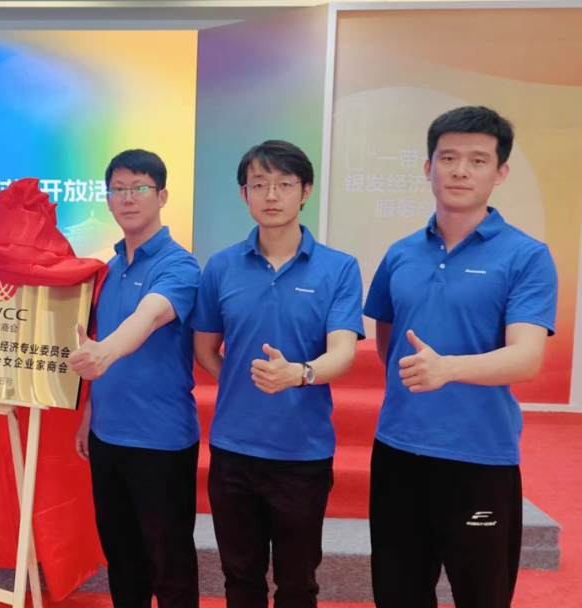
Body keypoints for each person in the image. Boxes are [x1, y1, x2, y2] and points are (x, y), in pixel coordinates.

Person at [363, 106, 557, 608]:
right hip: (398, 450)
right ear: (428, 167)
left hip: (478, 455)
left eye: (478, 160)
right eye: (447, 158)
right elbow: (388, 342)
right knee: (397, 593)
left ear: (500, 172)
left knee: (481, 595)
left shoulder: (526, 256)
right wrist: (423, 373)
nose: (460, 171)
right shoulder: (401, 253)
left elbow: (527, 358)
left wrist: (448, 369)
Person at [190, 141, 364, 608]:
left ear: (305, 191)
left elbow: (343, 353)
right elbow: (204, 348)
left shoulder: (339, 268)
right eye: (259, 184)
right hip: (233, 450)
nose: (271, 195)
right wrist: (241, 381)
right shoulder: (221, 266)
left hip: (302, 452)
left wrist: (298, 375)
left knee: (297, 583)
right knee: (239, 578)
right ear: (243, 193)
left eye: (284, 184)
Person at [70, 149, 201, 608]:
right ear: (108, 199)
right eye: (118, 190)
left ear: (161, 196)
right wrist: (89, 410)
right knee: (123, 562)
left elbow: (149, 316)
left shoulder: (179, 265)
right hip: (108, 436)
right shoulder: (107, 271)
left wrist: (104, 352)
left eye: (140, 188)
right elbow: (99, 335)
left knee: (170, 566)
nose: (128, 198)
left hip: (160, 440)